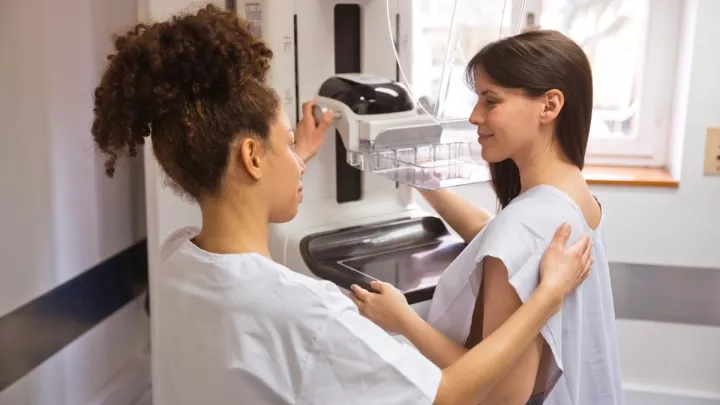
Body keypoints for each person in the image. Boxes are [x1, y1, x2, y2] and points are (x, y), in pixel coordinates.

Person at [90, 7, 594, 405]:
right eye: (288, 143)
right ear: (251, 159)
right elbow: (451, 395)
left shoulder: (178, 258)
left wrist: (290, 156)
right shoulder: (310, 313)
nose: (299, 155)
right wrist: (549, 296)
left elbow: (241, 189)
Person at [351, 29, 623, 405]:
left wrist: (403, 321)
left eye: (490, 101)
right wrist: (427, 184)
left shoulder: (525, 226)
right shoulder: (576, 197)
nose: (475, 116)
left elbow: (503, 394)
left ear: (549, 106)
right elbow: (497, 235)